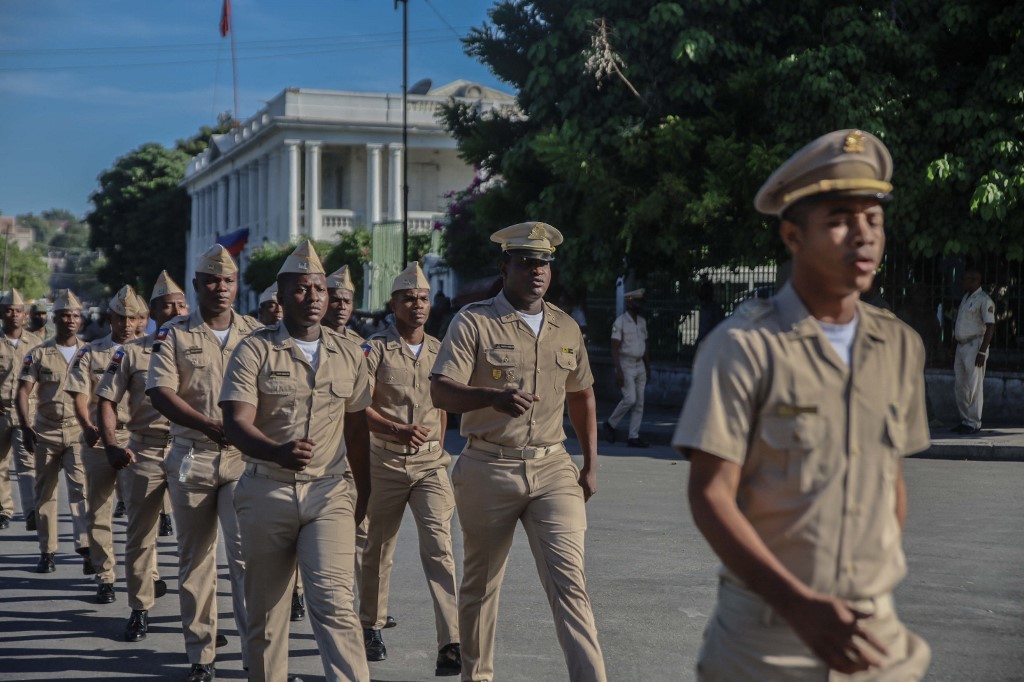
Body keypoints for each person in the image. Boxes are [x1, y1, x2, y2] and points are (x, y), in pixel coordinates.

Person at [673, 129, 931, 680]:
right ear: (793, 235)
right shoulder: (744, 347)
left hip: (872, 633)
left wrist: (864, 587)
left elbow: (891, 487)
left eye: (874, 219)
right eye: (839, 219)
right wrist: (798, 604)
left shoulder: (900, 347)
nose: (862, 236)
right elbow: (710, 493)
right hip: (768, 640)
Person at [431, 221, 606, 682]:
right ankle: (478, 676)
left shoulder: (565, 326)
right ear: (504, 266)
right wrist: (490, 397)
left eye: (544, 263)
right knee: (481, 585)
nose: (537, 271)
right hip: (488, 466)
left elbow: (582, 394)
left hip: (552, 467)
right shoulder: (473, 321)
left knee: (570, 581)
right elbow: (441, 391)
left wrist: (590, 464)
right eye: (527, 262)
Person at [220, 240, 372, 682]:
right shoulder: (254, 350)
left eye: (320, 290)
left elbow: (357, 430)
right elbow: (235, 422)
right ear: (281, 298)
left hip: (329, 493)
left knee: (335, 602)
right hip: (266, 489)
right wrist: (276, 451)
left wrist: (363, 494)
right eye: (302, 290)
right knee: (266, 613)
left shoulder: (349, 353)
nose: (314, 298)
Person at [146, 244, 262, 682]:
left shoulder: (256, 333)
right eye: (211, 280)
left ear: (236, 286)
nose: (220, 287)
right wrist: (212, 425)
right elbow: (160, 392)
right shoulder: (173, 334)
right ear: (196, 286)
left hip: (243, 460)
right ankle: (202, 654)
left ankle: (256, 654)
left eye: (228, 280)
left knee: (247, 557)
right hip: (192, 457)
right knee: (196, 560)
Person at [358, 262, 461, 675]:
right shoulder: (374, 349)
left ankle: (451, 639)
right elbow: (358, 407)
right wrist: (395, 429)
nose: (417, 305)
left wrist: (436, 441)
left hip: (430, 465)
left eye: (422, 299)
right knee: (378, 548)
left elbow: (445, 405)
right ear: (394, 304)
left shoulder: (441, 350)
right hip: (383, 460)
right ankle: (371, 624)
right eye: (408, 299)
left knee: (440, 547)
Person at [96, 271, 188, 642]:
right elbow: (106, 400)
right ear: (151, 312)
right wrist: (112, 444)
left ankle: (202, 619)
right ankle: (139, 608)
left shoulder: (205, 350)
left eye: (181, 305)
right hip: (145, 449)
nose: (176, 311)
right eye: (168, 305)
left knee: (200, 540)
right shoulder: (132, 352)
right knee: (140, 534)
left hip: (190, 448)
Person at [64, 285, 144, 604]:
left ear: (140, 319)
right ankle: (106, 574)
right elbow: (80, 395)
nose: (126, 324)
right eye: (120, 317)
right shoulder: (91, 352)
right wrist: (87, 427)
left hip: (137, 439)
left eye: (132, 318)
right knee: (98, 509)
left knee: (142, 510)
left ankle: (147, 573)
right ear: (110, 318)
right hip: (99, 439)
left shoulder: (152, 351)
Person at [16, 289, 88, 574]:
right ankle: (47, 551)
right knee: (44, 494)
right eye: (64, 316)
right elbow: (23, 391)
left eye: (74, 315)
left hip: (78, 432)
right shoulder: (38, 354)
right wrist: (25, 427)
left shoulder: (89, 353)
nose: (70, 320)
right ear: (54, 319)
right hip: (45, 431)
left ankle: (85, 547)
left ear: (80, 320)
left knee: (80, 490)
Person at [0, 289, 44, 531]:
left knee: (27, 463)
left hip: (28, 413)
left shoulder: (36, 343)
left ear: (24, 315)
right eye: (9, 310)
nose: (13, 315)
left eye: (18, 311)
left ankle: (31, 512)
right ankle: (3, 510)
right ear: (1, 313)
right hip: (1, 410)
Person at [603, 288, 649, 448]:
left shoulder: (642, 322)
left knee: (640, 402)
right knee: (630, 399)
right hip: (626, 364)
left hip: (640, 364)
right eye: (636, 301)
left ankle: (633, 436)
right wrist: (619, 370)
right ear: (629, 302)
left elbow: (645, 345)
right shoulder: (620, 322)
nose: (639, 305)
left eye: (640, 302)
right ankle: (610, 423)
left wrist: (647, 367)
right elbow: (615, 348)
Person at [951, 268, 995, 434]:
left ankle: (974, 422)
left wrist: (982, 352)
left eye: (965, 280)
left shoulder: (984, 300)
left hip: (975, 345)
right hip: (961, 345)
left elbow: (990, 326)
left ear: (975, 281)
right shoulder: (965, 297)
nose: (962, 282)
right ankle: (965, 419)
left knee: (974, 385)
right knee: (960, 385)